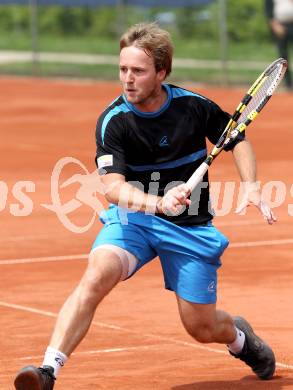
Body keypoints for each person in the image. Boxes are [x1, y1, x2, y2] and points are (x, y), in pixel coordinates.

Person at [14, 22, 277, 390]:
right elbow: (113, 189)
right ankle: (47, 370)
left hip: (189, 226)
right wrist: (158, 202)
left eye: (137, 71)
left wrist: (251, 187)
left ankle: (240, 339)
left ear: (161, 72)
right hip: (134, 220)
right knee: (96, 276)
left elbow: (236, 138)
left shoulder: (193, 107)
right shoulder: (114, 121)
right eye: (123, 69)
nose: (127, 79)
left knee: (201, 328)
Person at [265, 0, 293, 89]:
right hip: (280, 26)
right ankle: (288, 84)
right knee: (283, 57)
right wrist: (275, 26)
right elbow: (268, 11)